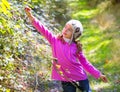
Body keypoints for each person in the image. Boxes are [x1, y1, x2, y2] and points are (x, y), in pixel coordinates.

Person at [25, 6, 108, 92]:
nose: (65, 30)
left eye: (69, 30)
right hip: (66, 79)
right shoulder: (54, 40)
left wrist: (98, 74)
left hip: (80, 77)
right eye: (65, 27)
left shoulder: (76, 47)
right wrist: (31, 16)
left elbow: (85, 63)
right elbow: (43, 29)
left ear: (74, 35)